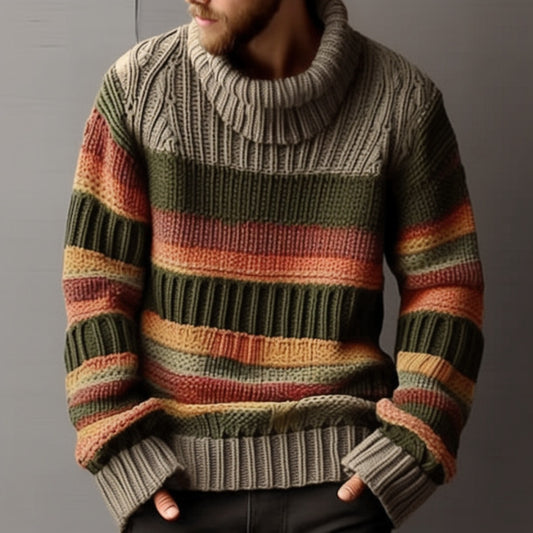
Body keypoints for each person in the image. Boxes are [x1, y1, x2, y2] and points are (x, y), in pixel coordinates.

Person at [62, 0, 484, 531]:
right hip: (174, 486)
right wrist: (121, 451)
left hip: (339, 485)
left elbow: (446, 283)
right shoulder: (140, 88)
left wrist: (414, 442)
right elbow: (96, 284)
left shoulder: (401, 101)